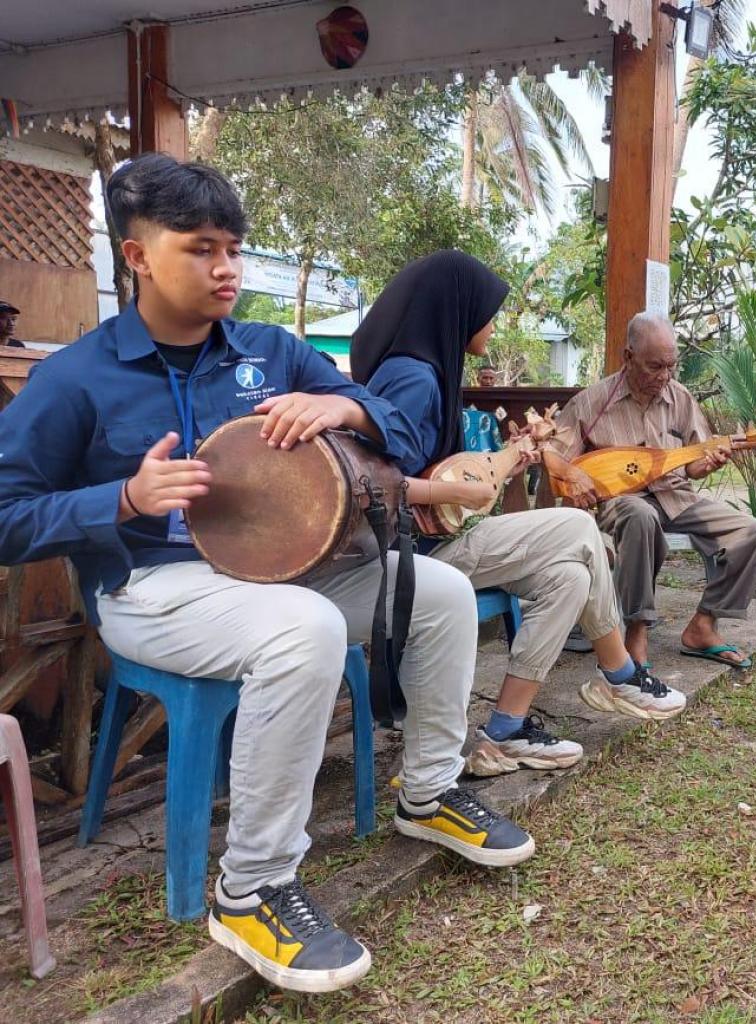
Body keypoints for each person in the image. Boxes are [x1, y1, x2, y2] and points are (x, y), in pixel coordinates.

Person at [0, 155, 534, 994]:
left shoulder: (272, 351)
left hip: (284, 574)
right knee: (304, 629)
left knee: (439, 591)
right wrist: (122, 498)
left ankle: (429, 792)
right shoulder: (75, 378)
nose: (227, 269)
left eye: (235, 249)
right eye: (201, 248)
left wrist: (344, 405)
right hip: (150, 587)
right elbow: (7, 516)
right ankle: (250, 887)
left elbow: (400, 431)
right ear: (138, 257)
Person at [351, 252, 685, 766]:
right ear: (457, 310)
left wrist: (505, 460)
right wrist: (459, 494)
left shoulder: (426, 370)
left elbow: (445, 471)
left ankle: (505, 729)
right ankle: (619, 674)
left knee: (570, 577)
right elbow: (370, 487)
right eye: (487, 313)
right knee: (577, 527)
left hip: (437, 540)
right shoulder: (414, 378)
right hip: (413, 556)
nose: (492, 324)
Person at [551, 312, 756, 671]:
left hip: (675, 496)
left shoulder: (679, 397)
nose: (664, 376)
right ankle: (636, 629)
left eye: (671, 366)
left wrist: (709, 462)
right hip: (623, 501)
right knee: (641, 515)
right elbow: (554, 458)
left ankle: (703, 625)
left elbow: (694, 463)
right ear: (628, 356)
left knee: (750, 531)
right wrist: (573, 477)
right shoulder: (590, 403)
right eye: (655, 366)